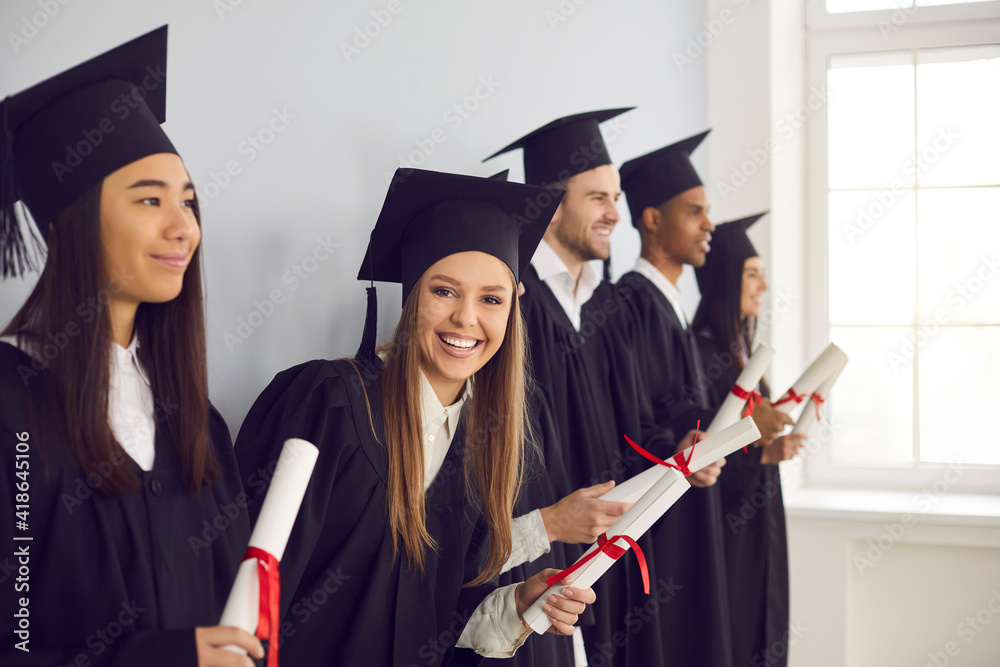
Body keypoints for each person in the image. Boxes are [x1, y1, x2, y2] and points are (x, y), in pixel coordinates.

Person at [233, 168, 597, 666]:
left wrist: (518, 602)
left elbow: (437, 617)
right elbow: (241, 581)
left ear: (514, 305)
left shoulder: (482, 442)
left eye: (491, 299)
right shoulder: (329, 402)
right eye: (444, 291)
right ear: (412, 294)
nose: (467, 318)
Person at [0, 27, 263, 666]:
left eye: (190, 203)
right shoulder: (12, 406)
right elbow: (17, 637)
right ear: (71, 222)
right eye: (150, 200)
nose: (184, 228)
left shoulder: (194, 419)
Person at [487, 110, 693, 667]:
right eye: (599, 198)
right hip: (538, 565)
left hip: (610, 548)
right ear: (551, 207)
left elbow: (628, 424)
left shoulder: (606, 306)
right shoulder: (512, 300)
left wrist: (674, 454)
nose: (615, 214)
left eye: (617, 197)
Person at [616, 130, 735, 667]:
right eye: (695, 211)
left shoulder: (670, 308)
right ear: (652, 219)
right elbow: (628, 422)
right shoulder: (627, 306)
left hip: (689, 505)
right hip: (656, 526)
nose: (709, 224)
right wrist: (678, 446)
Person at [692, 212, 803, 667]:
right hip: (728, 525)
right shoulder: (699, 352)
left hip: (759, 517)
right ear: (724, 280)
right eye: (752, 274)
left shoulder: (738, 347)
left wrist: (770, 447)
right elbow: (704, 447)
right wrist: (756, 450)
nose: (763, 286)